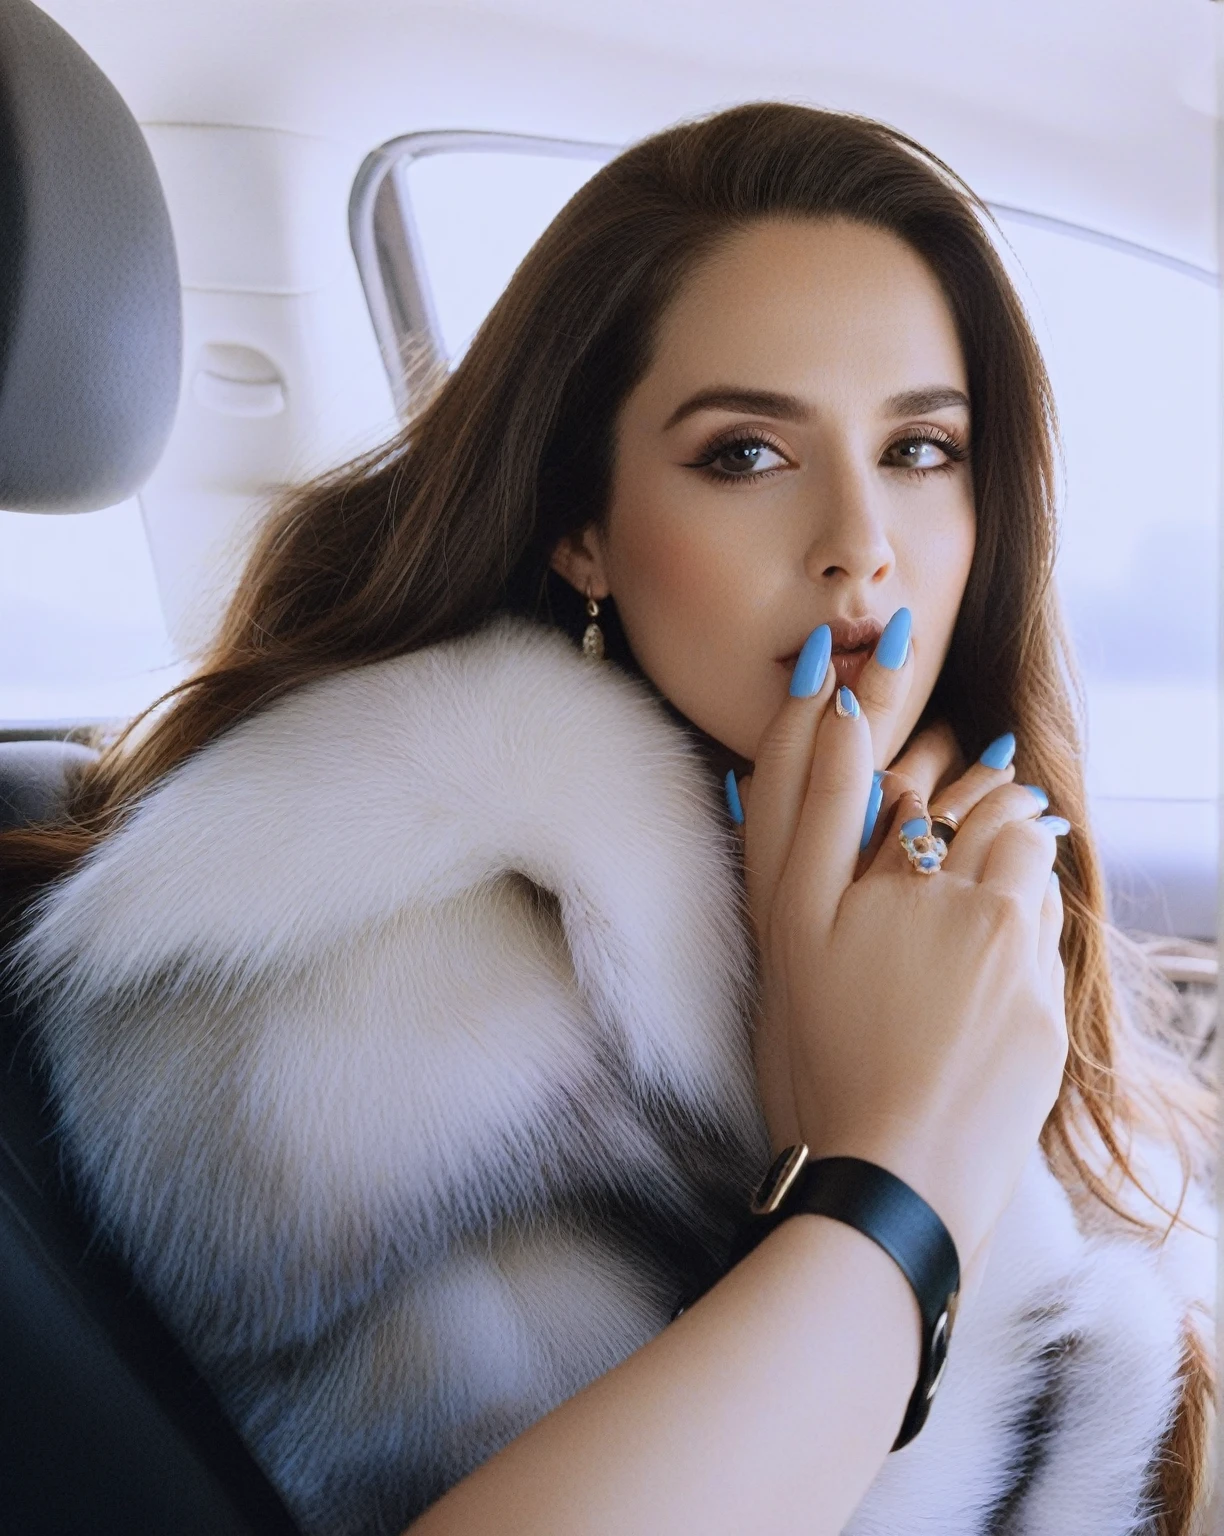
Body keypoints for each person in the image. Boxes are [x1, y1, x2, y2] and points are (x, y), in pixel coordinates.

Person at [2, 103, 1213, 1536]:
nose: (860, 544)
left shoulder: (887, 891)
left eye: (922, 449)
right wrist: (909, 1171)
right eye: (747, 455)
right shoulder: (365, 985)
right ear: (583, 526)